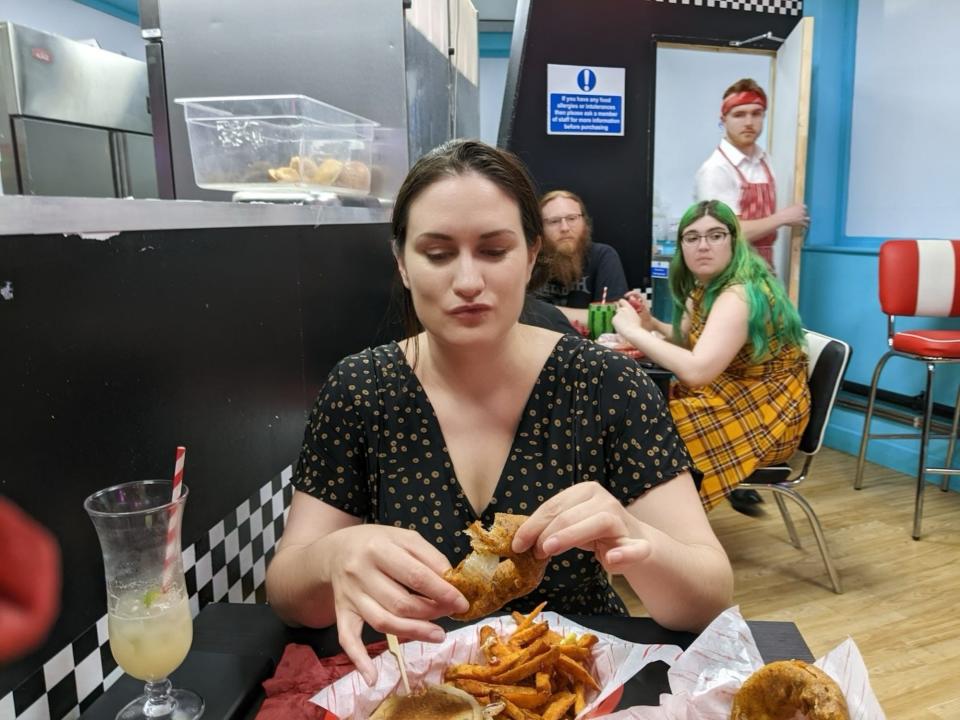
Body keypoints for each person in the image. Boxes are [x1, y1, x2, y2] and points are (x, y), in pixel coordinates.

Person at [266, 140, 733, 685]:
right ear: (403, 265)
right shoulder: (361, 390)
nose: (467, 281)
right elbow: (289, 595)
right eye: (437, 253)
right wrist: (332, 557)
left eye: (494, 250)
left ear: (532, 256)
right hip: (415, 684)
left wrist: (634, 537)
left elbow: (708, 598)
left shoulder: (608, 385)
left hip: (576, 682)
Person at [613, 200, 811, 515]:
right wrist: (651, 323)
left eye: (715, 235)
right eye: (692, 238)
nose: (703, 246)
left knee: (647, 434)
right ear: (681, 246)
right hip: (731, 396)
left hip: (767, 413)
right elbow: (689, 342)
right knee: (636, 417)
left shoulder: (740, 294)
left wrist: (633, 332)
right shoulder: (706, 288)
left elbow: (696, 370)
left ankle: (657, 526)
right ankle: (644, 521)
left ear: (734, 241)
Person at [694, 78, 809, 269]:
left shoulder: (764, 161)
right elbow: (728, 233)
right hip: (731, 275)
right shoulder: (715, 170)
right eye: (739, 115)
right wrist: (783, 218)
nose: (749, 122)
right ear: (724, 120)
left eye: (756, 114)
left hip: (764, 270)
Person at [533, 190, 628, 327]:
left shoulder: (603, 255)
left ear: (584, 221)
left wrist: (541, 310)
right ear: (540, 228)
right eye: (554, 221)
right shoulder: (530, 259)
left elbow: (616, 318)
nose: (564, 228)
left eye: (572, 218)